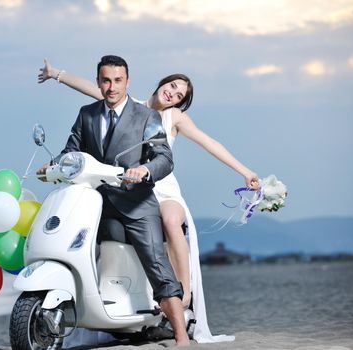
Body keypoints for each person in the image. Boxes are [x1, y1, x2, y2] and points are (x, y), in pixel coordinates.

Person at [38, 59, 259, 343]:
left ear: (127, 81)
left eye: (180, 95)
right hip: (112, 188)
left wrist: (245, 172)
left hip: (157, 187)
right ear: (162, 82)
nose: (173, 94)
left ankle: (183, 298)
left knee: (166, 224)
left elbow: (206, 144)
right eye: (172, 86)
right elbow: (84, 106)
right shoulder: (114, 103)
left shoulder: (165, 117)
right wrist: (57, 74)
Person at [37, 55, 190, 347]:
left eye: (118, 80)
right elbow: (73, 150)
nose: (111, 87)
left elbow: (164, 158)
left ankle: (181, 336)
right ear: (98, 81)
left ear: (127, 81)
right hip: (96, 200)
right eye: (106, 80)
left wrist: (145, 170)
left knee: (156, 262)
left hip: (136, 203)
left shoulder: (146, 116)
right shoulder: (87, 114)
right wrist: (53, 164)